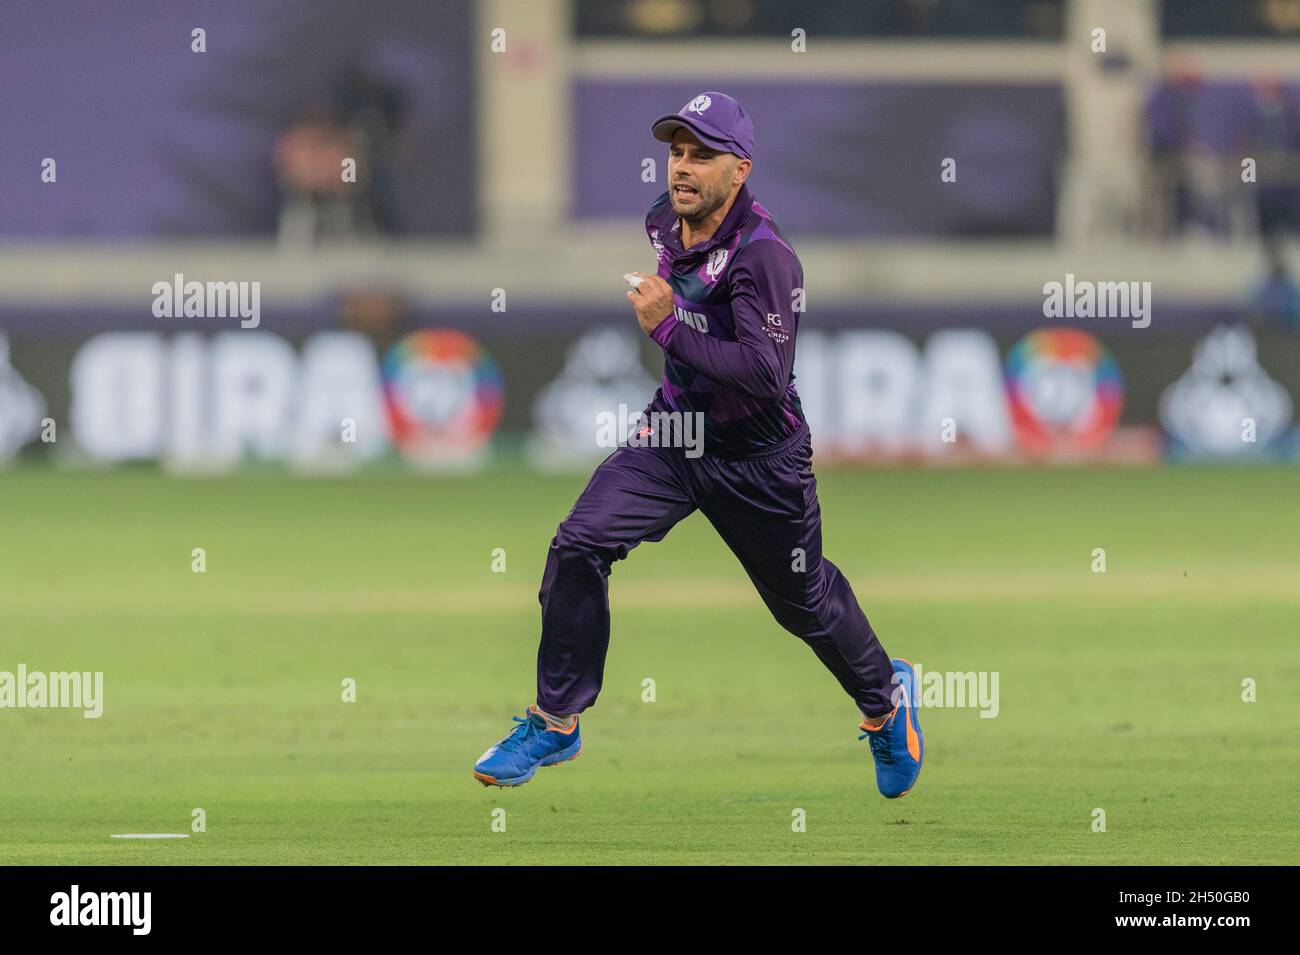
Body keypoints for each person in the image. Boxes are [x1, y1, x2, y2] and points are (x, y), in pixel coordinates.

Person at [473, 93, 923, 798]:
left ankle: (885, 701)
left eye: (700, 155)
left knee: (801, 603)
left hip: (758, 456)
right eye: (676, 151)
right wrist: (676, 336)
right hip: (675, 433)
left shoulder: (766, 257)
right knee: (579, 543)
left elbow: (767, 376)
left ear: (739, 170)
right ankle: (555, 719)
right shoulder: (666, 220)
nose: (681, 167)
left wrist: (666, 328)